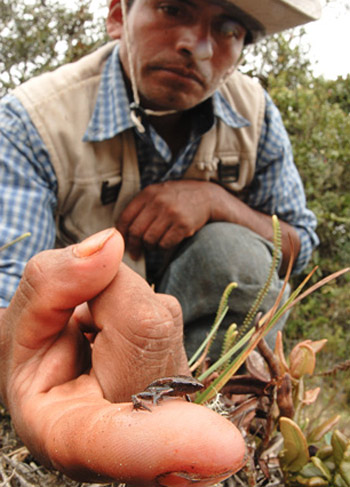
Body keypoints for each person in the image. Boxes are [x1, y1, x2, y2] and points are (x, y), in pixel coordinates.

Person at [0, 0, 321, 483]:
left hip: (212, 353)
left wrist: (216, 201)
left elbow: (301, 246)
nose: (197, 45)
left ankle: (237, 419)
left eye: (230, 28)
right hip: (85, 350)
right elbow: (10, 290)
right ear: (117, 16)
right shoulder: (35, 122)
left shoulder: (255, 115)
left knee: (232, 257)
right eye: (173, 8)